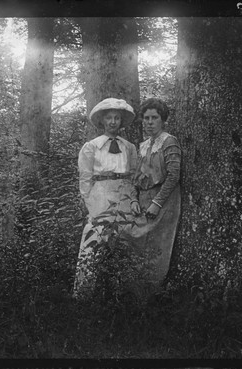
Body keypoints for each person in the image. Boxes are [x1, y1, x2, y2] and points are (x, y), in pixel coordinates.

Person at [73, 97, 138, 298]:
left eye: (116, 118)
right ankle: (84, 294)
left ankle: (121, 294)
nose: (112, 122)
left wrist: (133, 198)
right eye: (109, 118)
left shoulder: (129, 147)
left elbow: (134, 175)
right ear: (102, 121)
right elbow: (85, 178)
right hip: (100, 193)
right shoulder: (91, 147)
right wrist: (90, 202)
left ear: (121, 121)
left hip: (124, 193)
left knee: (125, 240)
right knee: (94, 240)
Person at [130, 98, 182, 289]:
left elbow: (174, 175)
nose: (149, 122)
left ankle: (151, 295)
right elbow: (135, 178)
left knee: (156, 250)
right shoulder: (143, 146)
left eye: (154, 118)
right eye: (146, 118)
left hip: (164, 201)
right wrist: (134, 200)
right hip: (142, 201)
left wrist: (157, 203)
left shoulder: (169, 142)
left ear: (163, 120)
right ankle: (133, 293)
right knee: (132, 242)